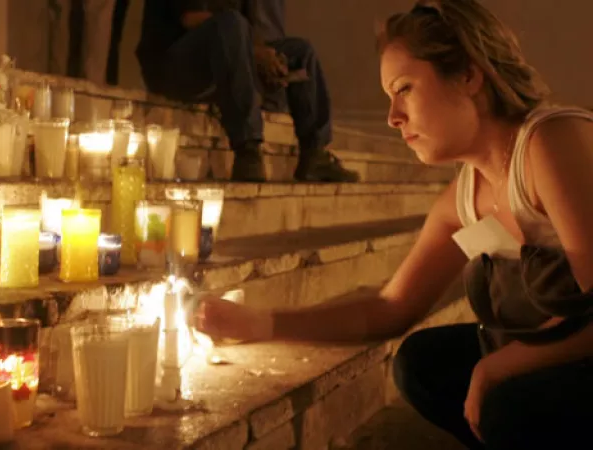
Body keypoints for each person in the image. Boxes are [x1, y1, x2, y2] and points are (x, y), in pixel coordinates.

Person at [194, 1, 593, 449]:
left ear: (467, 74)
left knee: (506, 399)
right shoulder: (464, 195)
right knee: (422, 363)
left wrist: (496, 367)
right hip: (561, 359)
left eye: (404, 89)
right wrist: (263, 324)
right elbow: (390, 307)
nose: (393, 117)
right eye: (389, 97)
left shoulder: (550, 144)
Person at [135, 0, 358, 182]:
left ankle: (314, 154)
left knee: (300, 53)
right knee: (230, 23)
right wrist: (255, 52)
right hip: (171, 65)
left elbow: (246, 33)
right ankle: (248, 149)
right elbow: (191, 18)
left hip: (219, 62)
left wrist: (268, 59)